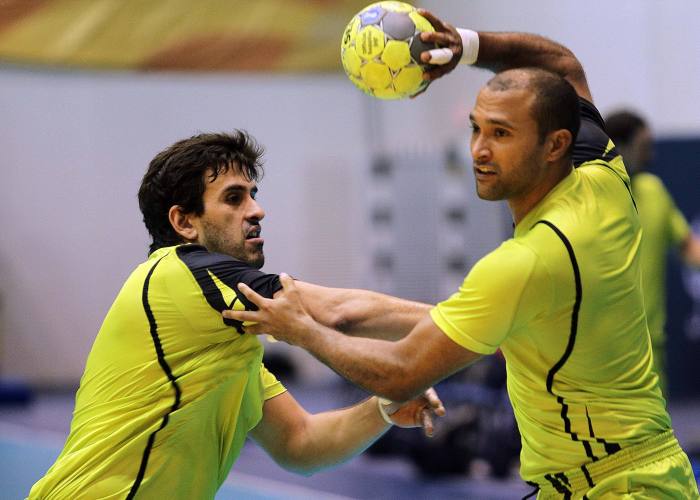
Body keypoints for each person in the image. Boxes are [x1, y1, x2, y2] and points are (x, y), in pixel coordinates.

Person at [225, 13, 700, 499]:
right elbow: (561, 62)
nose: (479, 150)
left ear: (556, 144)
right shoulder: (603, 177)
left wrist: (300, 332)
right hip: (621, 474)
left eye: (501, 134)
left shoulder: (527, 261)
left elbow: (402, 371)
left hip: (616, 487)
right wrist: (466, 47)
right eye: (477, 129)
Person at [29, 131, 445, 499]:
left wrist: (382, 409)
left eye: (253, 193)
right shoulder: (178, 274)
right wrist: (476, 324)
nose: (256, 210)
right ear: (184, 222)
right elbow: (338, 314)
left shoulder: (227, 338)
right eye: (234, 198)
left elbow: (300, 444)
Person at [605, 110, 700, 392]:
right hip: (601, 353)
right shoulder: (587, 194)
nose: (651, 156)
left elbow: (689, 248)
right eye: (644, 147)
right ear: (619, 147)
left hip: (651, 347)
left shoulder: (654, 190)